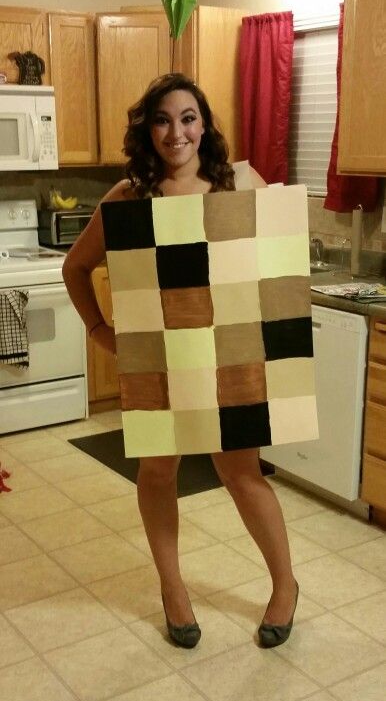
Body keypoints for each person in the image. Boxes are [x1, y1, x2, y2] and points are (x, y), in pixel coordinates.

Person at [62, 72, 298, 650]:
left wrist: (280, 337)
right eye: (163, 119)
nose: (177, 132)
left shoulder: (238, 181)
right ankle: (174, 590)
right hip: (159, 360)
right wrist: (99, 329)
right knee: (159, 471)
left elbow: (281, 257)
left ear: (204, 124)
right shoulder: (129, 196)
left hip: (233, 354)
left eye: (188, 117)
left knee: (241, 473)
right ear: (148, 129)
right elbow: (75, 267)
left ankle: (286, 585)